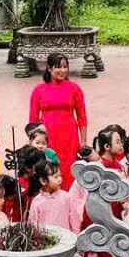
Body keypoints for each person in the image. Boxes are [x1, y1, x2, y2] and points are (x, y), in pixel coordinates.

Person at [28, 53, 88, 189]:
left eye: (65, 67)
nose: (63, 70)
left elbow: (82, 117)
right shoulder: (39, 90)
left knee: (68, 166)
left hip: (69, 136)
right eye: (58, 67)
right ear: (49, 68)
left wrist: (83, 141)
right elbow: (33, 120)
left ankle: (69, 195)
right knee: (48, 166)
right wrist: (33, 142)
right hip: (47, 136)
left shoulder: (75, 89)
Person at [26, 159, 78, 232]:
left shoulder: (67, 197)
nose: (60, 179)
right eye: (56, 177)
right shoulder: (37, 202)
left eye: (60, 175)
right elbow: (33, 225)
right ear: (43, 181)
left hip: (66, 237)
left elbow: (74, 219)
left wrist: (75, 235)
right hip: (45, 238)